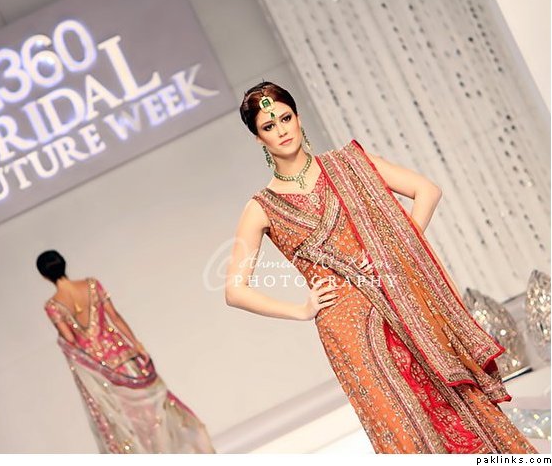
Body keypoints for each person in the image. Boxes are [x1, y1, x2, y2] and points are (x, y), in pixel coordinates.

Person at [224, 81, 537, 454]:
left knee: (449, 397)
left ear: (298, 117)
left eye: (285, 118)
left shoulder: (348, 164)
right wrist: (301, 309)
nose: (281, 130)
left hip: (402, 302)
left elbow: (427, 190)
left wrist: (395, 249)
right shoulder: (261, 207)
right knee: (397, 420)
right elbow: (234, 290)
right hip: (348, 330)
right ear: (258, 138)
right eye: (269, 126)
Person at [37, 250, 215, 453]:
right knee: (152, 410)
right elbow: (115, 317)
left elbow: (70, 340)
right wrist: (137, 344)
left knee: (128, 421)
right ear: (64, 264)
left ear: (44, 276)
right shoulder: (92, 285)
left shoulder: (53, 306)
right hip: (123, 357)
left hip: (100, 372)